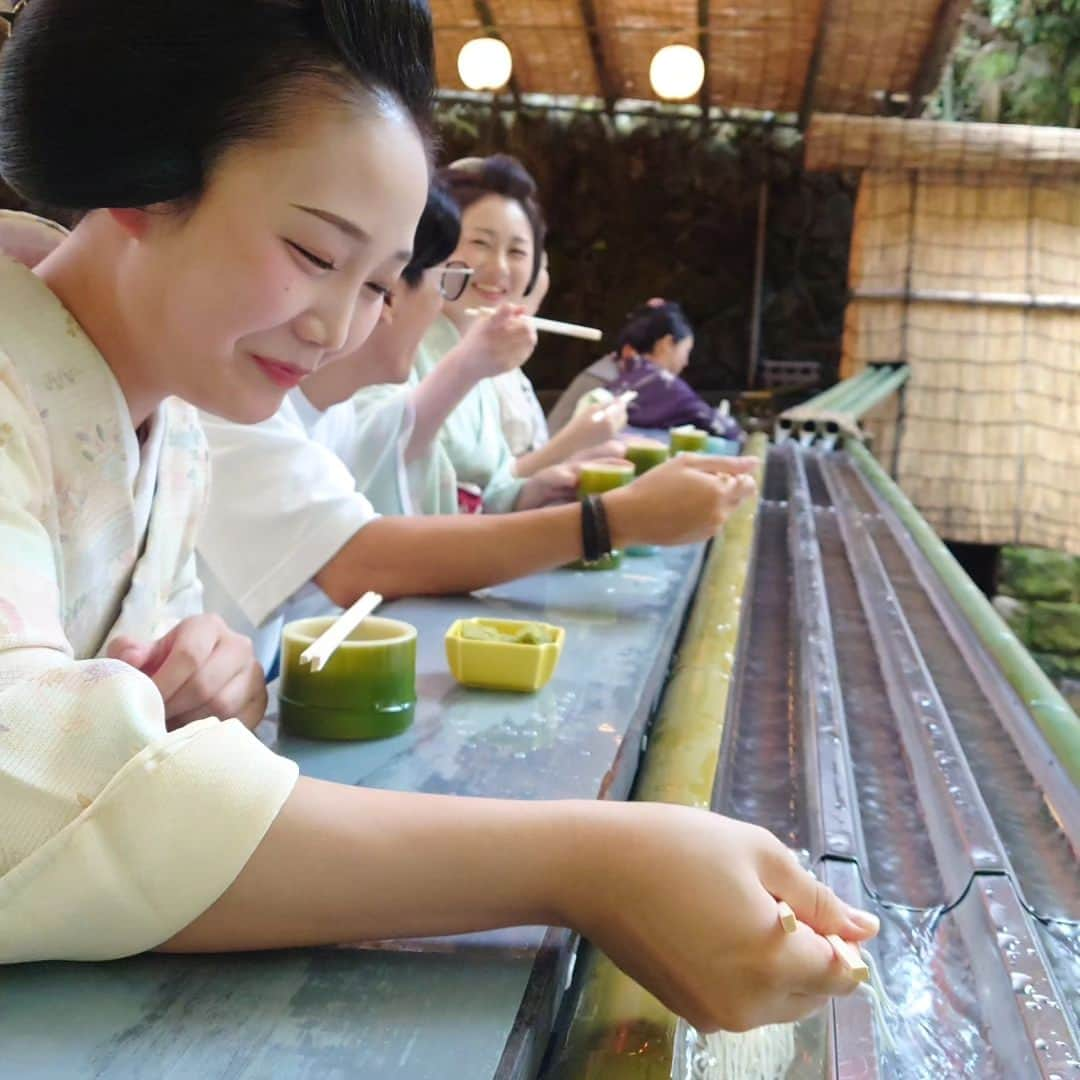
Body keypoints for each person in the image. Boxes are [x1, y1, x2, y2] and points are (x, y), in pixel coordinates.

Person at [0, 0, 877, 1035]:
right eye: (317, 254)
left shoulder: (177, 431)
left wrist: (219, 677)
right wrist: (586, 861)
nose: (337, 326)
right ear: (143, 172)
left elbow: (160, 713)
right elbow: (33, 794)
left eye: (379, 283)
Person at [196, 184, 753, 671]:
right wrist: (613, 520)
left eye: (518, 251)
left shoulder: (338, 413)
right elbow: (360, 557)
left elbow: (406, 434)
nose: (446, 305)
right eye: (449, 279)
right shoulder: (234, 413)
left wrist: (544, 487)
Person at [549, 299, 743, 441]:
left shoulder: (618, 366)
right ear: (666, 344)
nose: (686, 362)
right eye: (685, 351)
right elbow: (723, 428)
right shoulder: (650, 379)